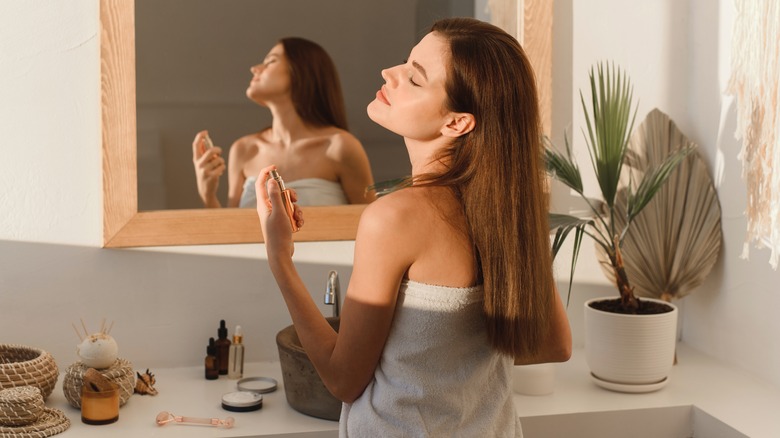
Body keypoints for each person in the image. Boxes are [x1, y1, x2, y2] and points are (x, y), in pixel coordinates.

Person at [256, 18, 571, 437]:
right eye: (405, 62)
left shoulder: (395, 217)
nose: (390, 73)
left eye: (415, 78)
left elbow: (343, 380)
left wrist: (280, 259)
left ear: (457, 122)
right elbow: (553, 344)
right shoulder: (506, 212)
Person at [192, 37, 375, 208]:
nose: (255, 68)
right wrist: (207, 194)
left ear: (301, 71)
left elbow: (368, 224)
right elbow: (231, 233)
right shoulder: (244, 149)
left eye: (271, 61)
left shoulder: (340, 147)